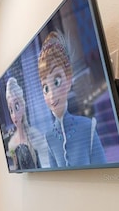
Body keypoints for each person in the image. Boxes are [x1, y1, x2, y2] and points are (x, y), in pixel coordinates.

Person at [37, 31, 105, 167]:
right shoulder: (49, 137)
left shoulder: (88, 127)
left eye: (56, 81)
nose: (51, 95)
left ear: (68, 79)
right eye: (45, 88)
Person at [5, 77, 48, 170]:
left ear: (23, 105)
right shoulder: (12, 144)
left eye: (16, 106)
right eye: (11, 110)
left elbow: (46, 163)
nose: (14, 115)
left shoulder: (35, 135)